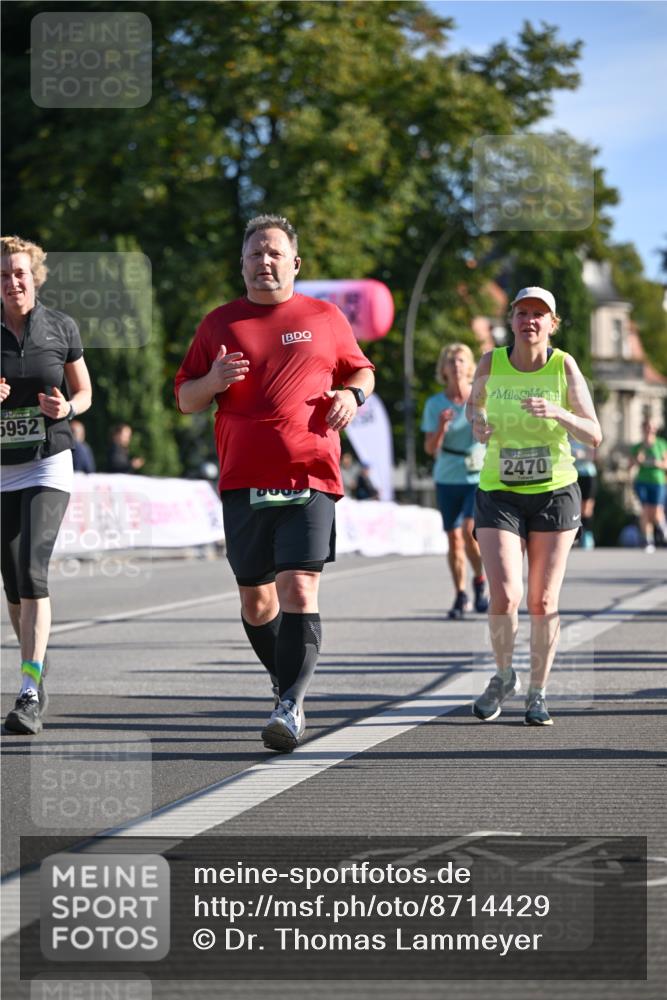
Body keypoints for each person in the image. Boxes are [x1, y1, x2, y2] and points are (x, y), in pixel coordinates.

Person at [174, 214, 375, 752]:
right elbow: (185, 397)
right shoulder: (219, 324)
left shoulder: (325, 317)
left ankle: (290, 706)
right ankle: (285, 679)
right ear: (241, 265)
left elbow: (362, 371)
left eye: (274, 253)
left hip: (311, 475)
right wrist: (212, 382)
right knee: (256, 603)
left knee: (298, 588)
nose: (265, 262)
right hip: (243, 481)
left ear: (295, 263)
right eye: (255, 254)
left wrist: (351, 397)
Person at [468, 286, 601, 726]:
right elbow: (474, 408)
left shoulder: (564, 366)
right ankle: (505, 676)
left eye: (539, 315)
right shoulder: (491, 363)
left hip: (555, 490)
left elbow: (593, 433)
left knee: (543, 601)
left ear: (552, 323)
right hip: (499, 491)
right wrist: (479, 423)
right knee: (506, 594)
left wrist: (558, 413)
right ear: (511, 319)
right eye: (522, 313)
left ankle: (538, 691)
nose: (530, 321)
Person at [1, 235, 92, 735]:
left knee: (33, 571)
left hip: (46, 462)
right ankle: (35, 663)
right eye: (3, 275)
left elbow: (85, 389)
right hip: (0, 470)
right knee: (13, 583)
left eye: (19, 273)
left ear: (34, 275)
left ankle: (29, 689)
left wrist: (69, 409)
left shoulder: (60, 326)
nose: (12, 282)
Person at [421, 343, 488, 619]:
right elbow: (429, 448)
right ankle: (461, 594)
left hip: (476, 474)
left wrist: (483, 427)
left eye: (461, 360)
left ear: (470, 366)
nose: (456, 365)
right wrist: (441, 428)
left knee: (469, 531)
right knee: (453, 538)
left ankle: (480, 579)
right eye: (450, 361)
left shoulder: (480, 397)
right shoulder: (435, 404)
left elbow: (493, 433)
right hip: (448, 475)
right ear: (444, 369)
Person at [630, 417, 667, 552]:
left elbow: (666, 464)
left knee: (656, 511)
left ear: (655, 429)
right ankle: (648, 540)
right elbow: (630, 465)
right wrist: (637, 460)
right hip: (642, 482)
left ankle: (663, 529)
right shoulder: (637, 447)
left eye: (651, 427)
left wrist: (658, 463)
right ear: (643, 429)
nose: (649, 430)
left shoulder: (661, 444)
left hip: (658, 482)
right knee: (645, 510)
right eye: (646, 427)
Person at [569, 437, 597, 548]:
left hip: (588, 475)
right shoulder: (567, 439)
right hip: (573, 476)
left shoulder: (585, 438)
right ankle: (575, 535)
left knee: (587, 508)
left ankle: (587, 534)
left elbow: (593, 456)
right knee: (574, 507)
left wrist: (582, 455)